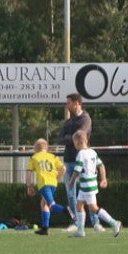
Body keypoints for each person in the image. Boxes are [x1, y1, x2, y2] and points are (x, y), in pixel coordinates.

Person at [67, 131, 123, 237]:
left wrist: (71, 181)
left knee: (93, 208)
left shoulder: (81, 154)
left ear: (77, 142)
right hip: (88, 185)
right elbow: (101, 165)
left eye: (74, 142)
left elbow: (77, 170)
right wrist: (104, 179)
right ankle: (80, 231)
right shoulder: (92, 152)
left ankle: (114, 223)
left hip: (87, 185)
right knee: (79, 205)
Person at [56, 94, 93, 227]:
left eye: (69, 103)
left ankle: (95, 222)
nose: (67, 105)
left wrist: (69, 137)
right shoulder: (68, 122)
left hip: (83, 161)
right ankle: (76, 221)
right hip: (68, 160)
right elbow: (60, 138)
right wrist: (71, 138)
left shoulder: (85, 119)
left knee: (88, 192)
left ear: (77, 103)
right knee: (70, 193)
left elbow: (80, 136)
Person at [25, 138, 66, 235]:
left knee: (52, 205)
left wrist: (29, 186)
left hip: (44, 183)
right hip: (53, 183)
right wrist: (57, 178)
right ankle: (45, 228)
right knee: (44, 204)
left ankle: (67, 211)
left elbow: (28, 172)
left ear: (35, 148)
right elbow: (63, 168)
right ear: (46, 148)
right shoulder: (52, 156)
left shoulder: (34, 157)